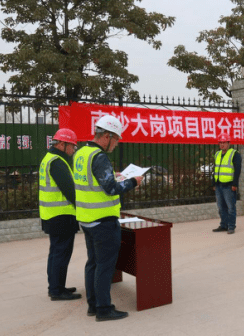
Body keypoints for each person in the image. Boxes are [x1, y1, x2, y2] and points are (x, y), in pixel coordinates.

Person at [74, 115, 143, 321]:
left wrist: (115, 174)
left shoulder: (81, 152)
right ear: (106, 136)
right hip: (103, 221)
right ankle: (104, 309)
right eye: (116, 139)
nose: (117, 143)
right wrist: (133, 182)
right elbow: (111, 189)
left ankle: (93, 306)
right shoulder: (99, 156)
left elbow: (93, 179)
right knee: (104, 266)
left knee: (93, 263)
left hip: (87, 219)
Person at [39, 128, 81, 301]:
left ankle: (55, 286)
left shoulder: (50, 159)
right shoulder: (57, 162)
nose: (73, 150)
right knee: (61, 253)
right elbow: (70, 191)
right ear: (62, 144)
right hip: (61, 216)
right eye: (72, 146)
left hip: (52, 215)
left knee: (55, 252)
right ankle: (57, 291)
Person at [212, 133, 242, 234]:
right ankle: (223, 225)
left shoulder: (234, 154)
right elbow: (215, 169)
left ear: (229, 143)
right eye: (220, 142)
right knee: (221, 207)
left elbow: (237, 170)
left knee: (230, 207)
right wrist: (214, 183)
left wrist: (235, 184)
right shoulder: (217, 154)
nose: (222, 144)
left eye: (224, 142)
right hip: (219, 185)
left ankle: (231, 226)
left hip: (229, 185)